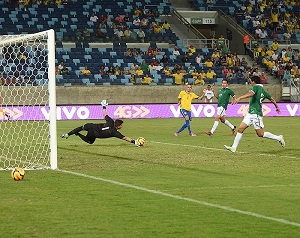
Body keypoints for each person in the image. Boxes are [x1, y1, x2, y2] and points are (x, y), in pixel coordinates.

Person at [224, 76, 285, 153]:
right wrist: (276, 107)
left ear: (254, 82)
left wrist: (239, 98)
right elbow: (272, 99)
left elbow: (251, 94)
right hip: (250, 113)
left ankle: (278, 138)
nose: (251, 83)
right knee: (240, 129)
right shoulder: (263, 91)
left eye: (251, 81)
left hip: (256, 114)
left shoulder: (256, 87)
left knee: (260, 134)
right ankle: (233, 147)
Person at [60, 100, 141, 146]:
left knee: (81, 128)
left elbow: (105, 114)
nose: (122, 126)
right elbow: (125, 138)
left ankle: (67, 134)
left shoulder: (110, 121)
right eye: (121, 125)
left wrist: (104, 106)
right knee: (89, 142)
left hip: (91, 125)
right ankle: (78, 134)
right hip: (93, 133)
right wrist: (134, 142)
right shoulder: (114, 132)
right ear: (119, 126)